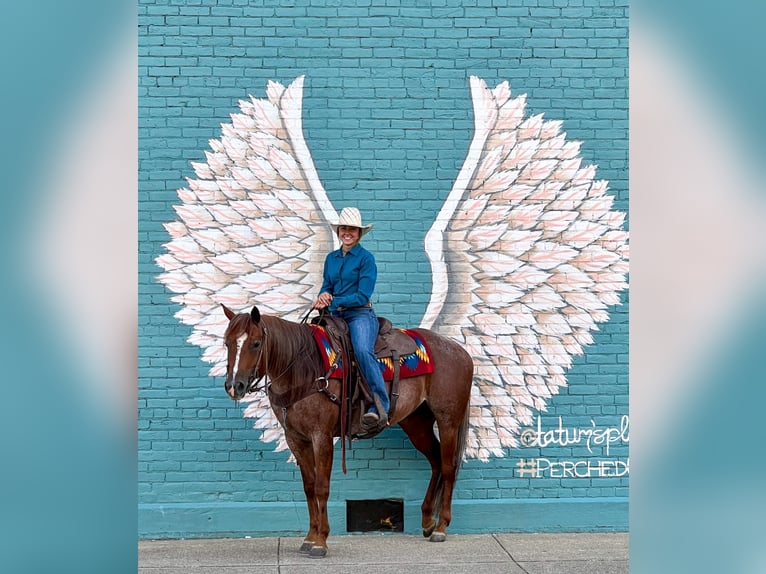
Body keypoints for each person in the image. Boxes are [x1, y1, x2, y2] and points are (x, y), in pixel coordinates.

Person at [313, 207, 390, 428]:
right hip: (334, 316)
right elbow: (327, 285)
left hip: (359, 315)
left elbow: (363, 294)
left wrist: (334, 301)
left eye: (352, 230)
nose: (347, 233)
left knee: (362, 350)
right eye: (344, 229)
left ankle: (380, 404)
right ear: (339, 231)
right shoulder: (331, 259)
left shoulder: (366, 259)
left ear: (359, 233)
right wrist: (323, 295)